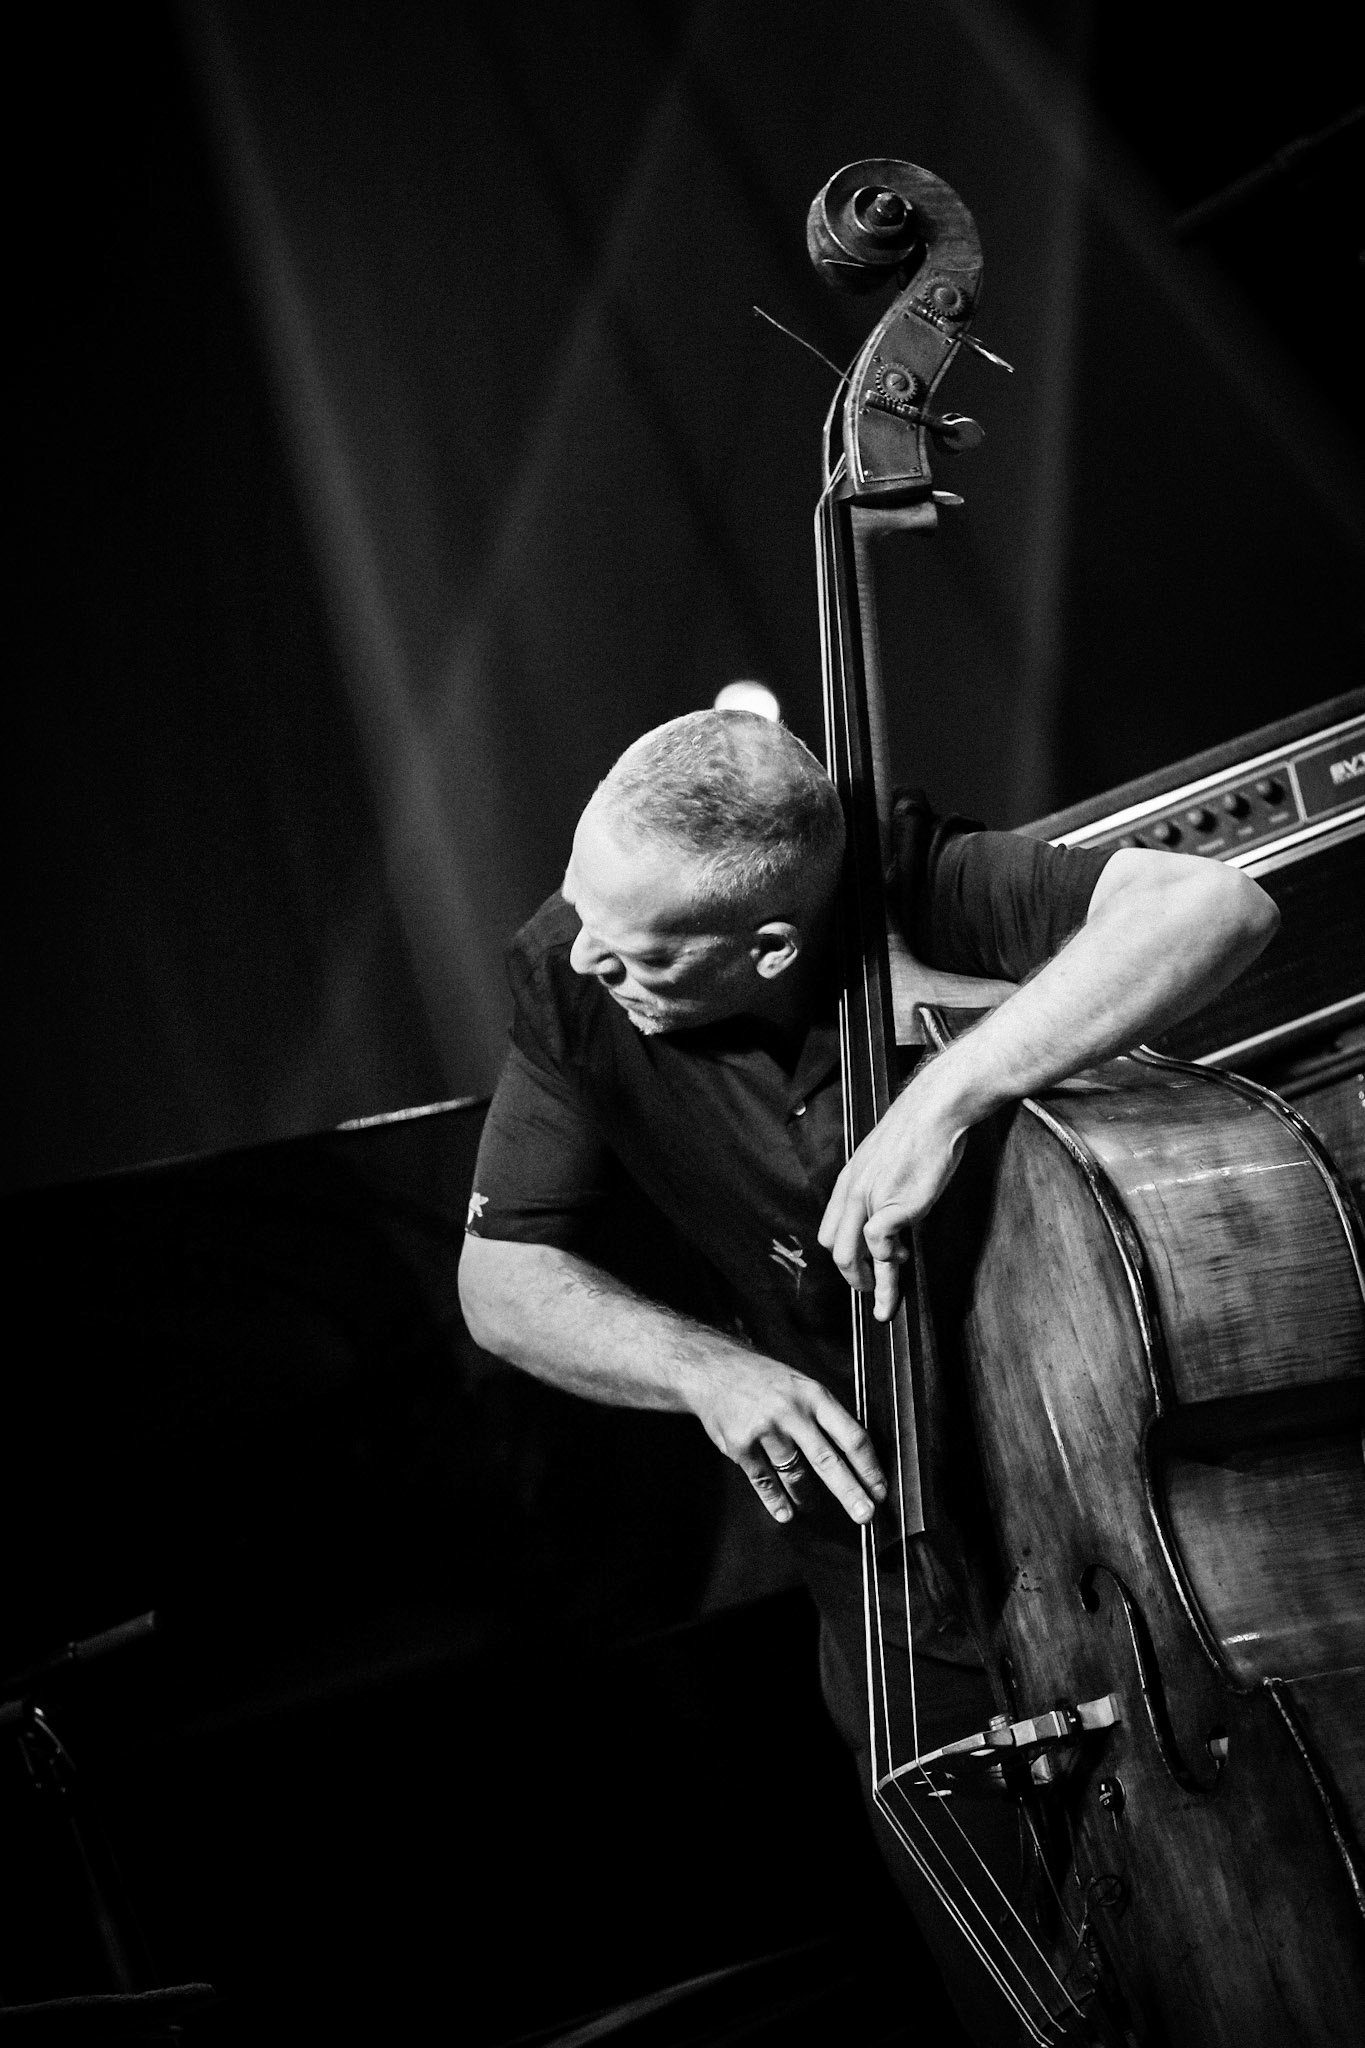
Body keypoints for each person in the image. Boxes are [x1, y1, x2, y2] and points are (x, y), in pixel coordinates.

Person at [457, 707, 1277, 2042]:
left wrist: (945, 1100)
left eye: (638, 946)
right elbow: (500, 1280)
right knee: (1018, 2013)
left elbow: (1212, 906)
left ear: (771, 946)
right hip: (887, 1591)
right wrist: (707, 1372)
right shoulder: (577, 970)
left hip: (1104, 1547)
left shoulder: (904, 877)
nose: (589, 954)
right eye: (578, 903)